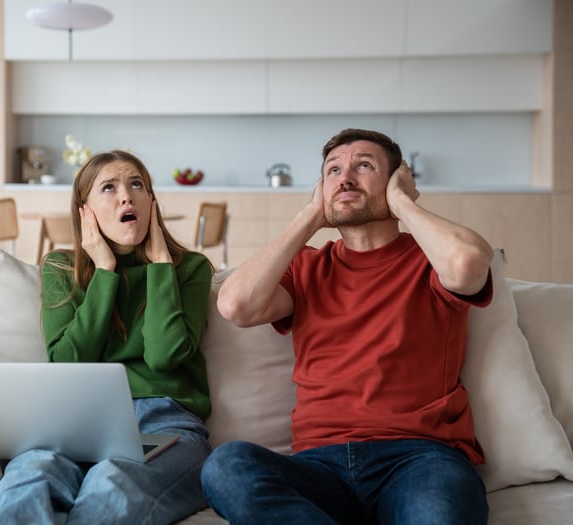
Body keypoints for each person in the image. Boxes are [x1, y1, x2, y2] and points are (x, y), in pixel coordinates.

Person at [200, 128, 494, 525]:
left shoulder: (430, 259)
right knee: (226, 466)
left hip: (418, 459)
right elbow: (235, 305)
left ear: (396, 181)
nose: (345, 178)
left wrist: (403, 203)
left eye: (364, 166)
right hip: (320, 465)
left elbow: (469, 266)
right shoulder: (307, 266)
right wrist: (309, 216)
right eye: (333, 171)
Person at [0, 150, 214, 525]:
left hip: (166, 422)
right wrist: (104, 271)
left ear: (151, 202)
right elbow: (69, 362)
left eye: (137, 184)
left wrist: (160, 266)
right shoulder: (60, 267)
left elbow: (163, 356)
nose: (127, 196)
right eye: (109, 187)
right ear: (85, 211)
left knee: (114, 481)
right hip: (77, 419)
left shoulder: (190, 269)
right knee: (34, 470)